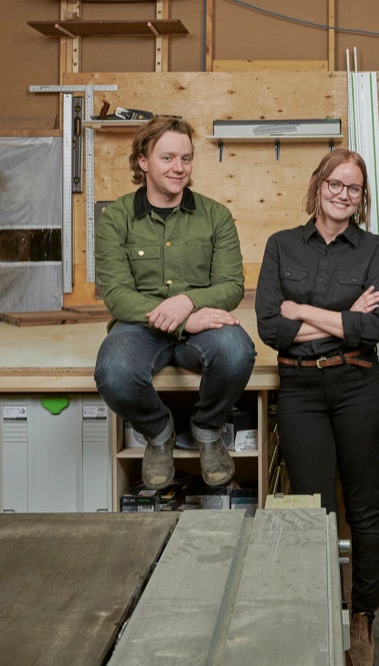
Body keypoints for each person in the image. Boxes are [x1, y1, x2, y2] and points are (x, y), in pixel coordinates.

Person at [255, 149, 379, 666]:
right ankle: (322, 609)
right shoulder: (282, 246)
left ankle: (363, 619)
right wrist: (341, 315)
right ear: (317, 186)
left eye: (353, 188)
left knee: (364, 508)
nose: (342, 194)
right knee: (314, 513)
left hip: (358, 386)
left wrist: (305, 312)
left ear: (362, 198)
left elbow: (372, 329)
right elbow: (272, 329)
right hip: (301, 391)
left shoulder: (375, 250)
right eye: (334, 184)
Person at [94, 116, 256, 491]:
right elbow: (117, 296)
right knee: (114, 371)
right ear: (142, 161)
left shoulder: (215, 216)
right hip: (140, 328)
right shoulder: (116, 219)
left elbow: (232, 285)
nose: (178, 168)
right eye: (167, 158)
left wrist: (188, 303)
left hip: (200, 323)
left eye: (186, 158)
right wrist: (183, 321)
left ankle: (206, 429)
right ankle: (159, 432)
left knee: (236, 352)